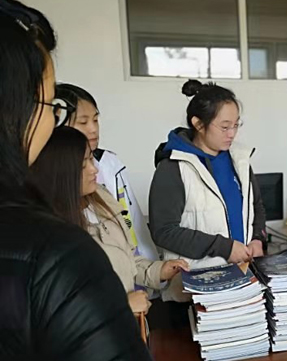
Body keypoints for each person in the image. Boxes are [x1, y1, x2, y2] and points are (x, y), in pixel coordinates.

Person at [0, 0, 185, 361]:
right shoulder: (53, 252)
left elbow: (130, 251)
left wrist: (157, 272)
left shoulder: (98, 198)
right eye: (53, 108)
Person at [30, 127, 190, 315]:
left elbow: (128, 258)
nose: (94, 169)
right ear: (59, 171)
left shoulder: (102, 198)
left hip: (127, 323)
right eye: (83, 165)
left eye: (91, 159)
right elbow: (61, 309)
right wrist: (122, 306)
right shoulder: (48, 230)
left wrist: (159, 271)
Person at [149, 80, 266, 302]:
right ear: (198, 124)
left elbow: (256, 206)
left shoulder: (239, 160)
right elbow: (164, 231)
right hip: (195, 287)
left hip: (243, 277)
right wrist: (223, 247)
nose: (232, 134)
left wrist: (257, 238)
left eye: (236, 125)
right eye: (224, 127)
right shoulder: (174, 167)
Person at [56, 82, 159, 261]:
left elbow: (133, 220)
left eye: (95, 120)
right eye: (83, 122)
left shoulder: (110, 164)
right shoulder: (53, 177)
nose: (93, 129)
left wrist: (152, 265)